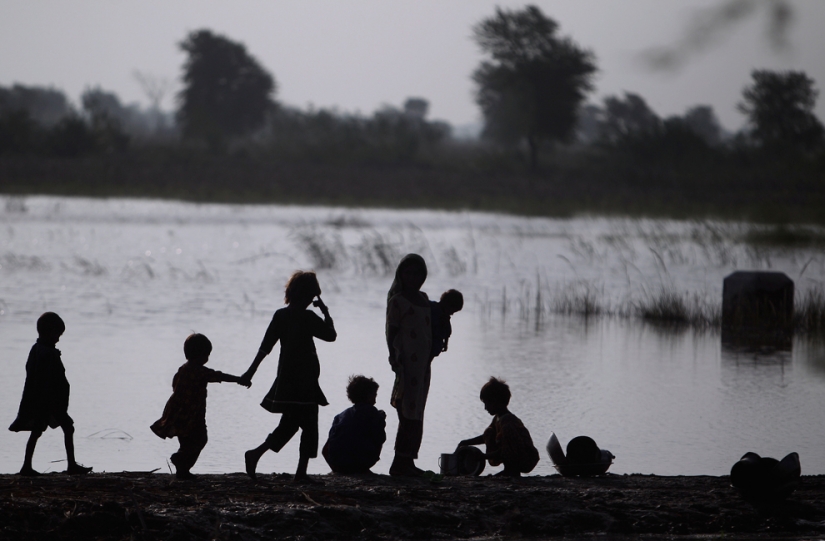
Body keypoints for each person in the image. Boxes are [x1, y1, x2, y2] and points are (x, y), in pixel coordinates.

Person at [241, 271, 336, 483]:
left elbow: (265, 347)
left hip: (288, 379)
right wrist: (326, 313)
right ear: (308, 296)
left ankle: (256, 454)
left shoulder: (281, 316)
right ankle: (300, 473)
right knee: (309, 425)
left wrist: (251, 372)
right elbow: (331, 336)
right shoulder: (308, 317)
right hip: (305, 381)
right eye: (312, 296)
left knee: (291, 424)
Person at [150, 333, 249, 480]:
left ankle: (182, 470)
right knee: (200, 439)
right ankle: (181, 460)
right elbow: (218, 376)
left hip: (178, 412)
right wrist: (239, 379)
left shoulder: (183, 369)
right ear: (201, 355)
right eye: (207, 354)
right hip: (193, 415)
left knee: (186, 441)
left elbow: (174, 385)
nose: (208, 358)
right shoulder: (199, 371)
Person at [9, 312, 92, 476]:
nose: (58, 339)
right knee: (67, 427)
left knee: (39, 431)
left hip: (43, 400)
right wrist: (53, 402)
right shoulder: (46, 353)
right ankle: (71, 465)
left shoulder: (38, 349)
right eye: (57, 335)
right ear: (49, 332)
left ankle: (27, 465)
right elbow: (47, 379)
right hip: (48, 401)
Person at [386, 253, 432, 476]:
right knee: (406, 410)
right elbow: (391, 331)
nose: (412, 277)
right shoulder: (398, 301)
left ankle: (408, 460)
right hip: (406, 363)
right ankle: (399, 462)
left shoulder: (424, 299)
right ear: (401, 274)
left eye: (417, 273)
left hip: (423, 365)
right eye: (408, 273)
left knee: (418, 410)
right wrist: (393, 357)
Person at [457, 377, 540, 477]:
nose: (485, 408)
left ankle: (512, 471)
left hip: (526, 460)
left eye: (486, 403)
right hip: (514, 454)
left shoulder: (508, 422)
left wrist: (484, 457)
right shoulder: (497, 418)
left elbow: (507, 450)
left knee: (501, 435)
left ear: (495, 401)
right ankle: (509, 470)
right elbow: (485, 437)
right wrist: (465, 442)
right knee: (489, 432)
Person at [322, 375, 386, 474]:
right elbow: (380, 438)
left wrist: (335, 468)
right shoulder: (372, 412)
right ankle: (362, 468)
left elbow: (325, 450)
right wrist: (381, 420)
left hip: (338, 463)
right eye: (374, 395)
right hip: (360, 462)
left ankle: (341, 468)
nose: (375, 400)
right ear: (369, 396)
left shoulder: (340, 416)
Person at [430, 289, 463, 359]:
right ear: (447, 304)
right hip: (429, 344)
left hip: (434, 346)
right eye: (452, 311)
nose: (452, 314)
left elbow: (448, 332)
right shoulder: (432, 308)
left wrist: (446, 343)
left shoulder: (445, 318)